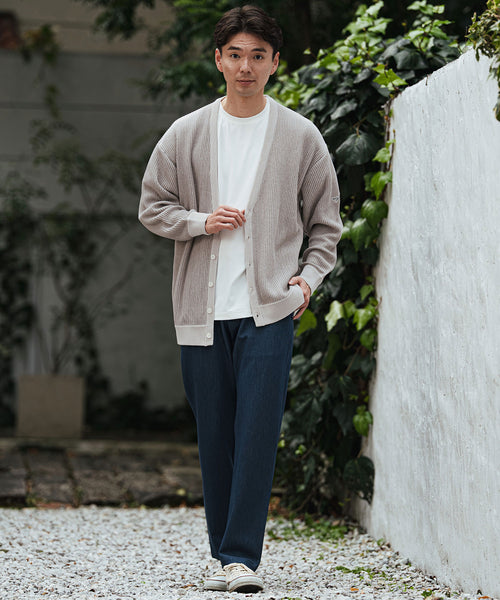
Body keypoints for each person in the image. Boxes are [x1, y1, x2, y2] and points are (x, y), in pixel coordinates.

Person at [138, 4, 342, 594]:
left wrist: (307, 281)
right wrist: (201, 222)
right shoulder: (186, 133)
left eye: (257, 55)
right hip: (201, 315)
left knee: (256, 433)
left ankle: (240, 559)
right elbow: (153, 207)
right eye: (235, 55)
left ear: (275, 63)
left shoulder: (300, 136)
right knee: (216, 436)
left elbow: (325, 226)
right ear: (218, 61)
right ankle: (224, 551)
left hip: (269, 311)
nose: (245, 66)